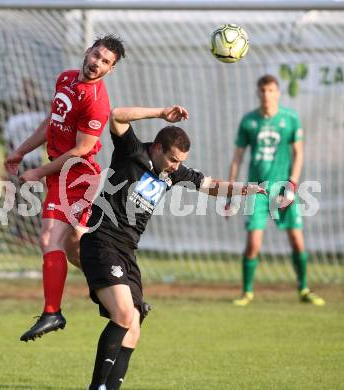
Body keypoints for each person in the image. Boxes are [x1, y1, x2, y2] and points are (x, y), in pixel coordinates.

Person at [79, 104, 265, 390]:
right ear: (156, 147)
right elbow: (115, 115)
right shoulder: (132, 151)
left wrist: (250, 189)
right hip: (101, 241)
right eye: (173, 159)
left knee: (134, 330)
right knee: (124, 315)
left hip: (127, 252)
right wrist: (160, 112)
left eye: (180, 162)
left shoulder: (173, 173)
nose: (176, 166)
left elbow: (211, 186)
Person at [4, 35, 126, 342]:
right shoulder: (67, 78)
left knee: (49, 238)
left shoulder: (97, 102)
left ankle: (52, 312)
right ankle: (123, 296)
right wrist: (19, 151)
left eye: (105, 61)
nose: (97, 62)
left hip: (77, 175)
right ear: (87, 52)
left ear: (110, 69)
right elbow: (52, 122)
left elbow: (83, 149)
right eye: (96, 55)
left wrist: (39, 171)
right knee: (74, 247)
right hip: (59, 173)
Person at [227, 74, 325, 306]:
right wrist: (230, 190)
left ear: (278, 92)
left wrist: (292, 181)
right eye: (262, 90)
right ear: (257, 93)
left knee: (297, 241)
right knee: (253, 243)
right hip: (257, 191)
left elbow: (298, 152)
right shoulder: (248, 120)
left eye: (271, 90)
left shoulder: (290, 118)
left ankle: (303, 289)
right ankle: (247, 292)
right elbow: (238, 158)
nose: (266, 95)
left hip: (283, 189)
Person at [2, 79, 46, 241]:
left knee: (20, 196)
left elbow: (8, 146)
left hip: (20, 163)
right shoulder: (42, 118)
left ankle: (22, 230)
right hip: (34, 163)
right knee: (34, 196)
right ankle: (32, 230)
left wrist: (6, 168)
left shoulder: (14, 120)